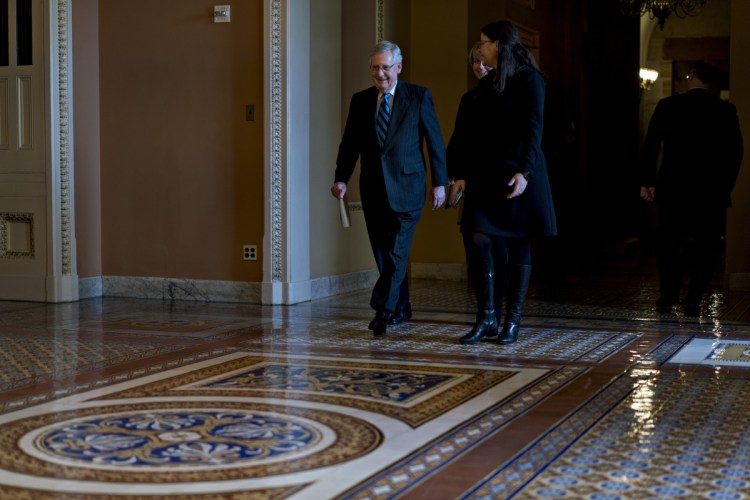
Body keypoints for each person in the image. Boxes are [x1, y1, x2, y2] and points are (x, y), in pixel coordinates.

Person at [448, 20, 557, 345]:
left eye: (484, 42)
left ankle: (512, 322)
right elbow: (473, 134)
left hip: (521, 173)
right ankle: (487, 319)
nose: (480, 48)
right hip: (488, 174)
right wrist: (460, 174)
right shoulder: (488, 83)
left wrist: (524, 173)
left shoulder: (529, 79)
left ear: (500, 44)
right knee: (476, 234)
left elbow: (533, 129)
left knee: (520, 242)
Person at [331, 40, 448, 335]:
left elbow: (435, 143)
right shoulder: (361, 100)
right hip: (373, 188)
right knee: (384, 253)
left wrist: (440, 183)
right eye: (374, 67)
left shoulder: (419, 96)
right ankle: (402, 307)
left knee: (396, 252)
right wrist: (341, 178)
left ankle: (383, 311)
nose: (379, 74)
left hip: (408, 187)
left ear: (398, 67)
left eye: (385, 67)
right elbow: (349, 145)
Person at [640, 61, 743, 315]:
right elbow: (735, 153)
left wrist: (648, 181)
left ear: (693, 76)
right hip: (711, 190)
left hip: (674, 186)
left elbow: (651, 144)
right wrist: (725, 185)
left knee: (667, 242)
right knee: (707, 246)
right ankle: (694, 298)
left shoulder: (668, 105)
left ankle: (668, 295)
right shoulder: (725, 110)